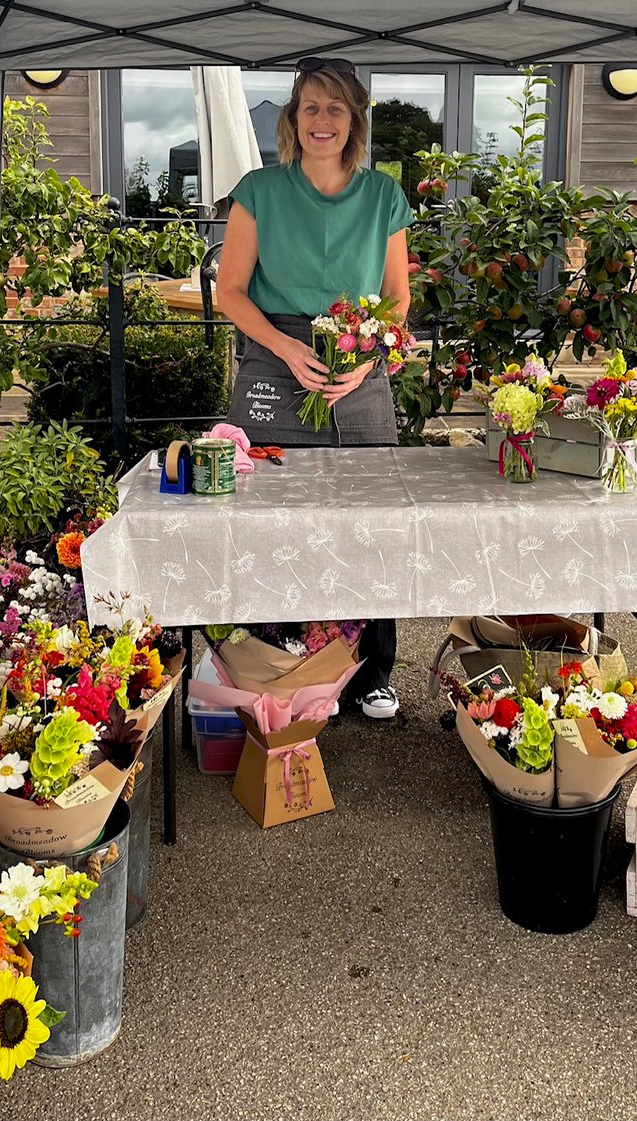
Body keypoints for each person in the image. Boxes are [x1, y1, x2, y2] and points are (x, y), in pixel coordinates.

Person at [214, 56, 412, 719]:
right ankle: (280, 658)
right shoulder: (259, 190)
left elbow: (396, 299)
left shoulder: (384, 195)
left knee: (372, 516)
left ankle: (372, 670)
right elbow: (231, 293)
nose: (322, 120)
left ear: (353, 119)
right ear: (292, 121)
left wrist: (367, 357)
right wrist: (284, 345)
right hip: (276, 359)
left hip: (360, 361)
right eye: (310, 108)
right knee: (273, 515)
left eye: (335, 108)